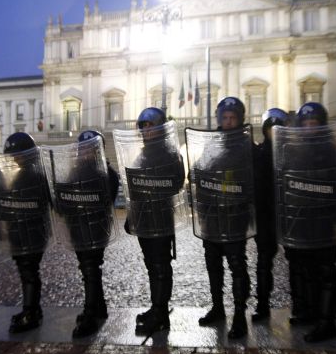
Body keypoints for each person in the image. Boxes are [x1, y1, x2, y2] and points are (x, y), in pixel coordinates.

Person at [277, 102, 336, 342]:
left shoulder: (332, 150)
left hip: (323, 221)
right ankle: (309, 312)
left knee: (326, 273)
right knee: (304, 270)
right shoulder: (292, 150)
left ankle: (327, 322)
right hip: (300, 220)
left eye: (313, 123)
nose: (308, 128)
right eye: (305, 123)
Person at [189, 96, 254, 339]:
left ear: (239, 119)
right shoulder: (212, 143)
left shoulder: (245, 145)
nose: (228, 122)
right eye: (224, 118)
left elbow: (247, 176)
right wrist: (195, 172)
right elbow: (201, 166)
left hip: (235, 215)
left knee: (237, 266)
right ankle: (218, 307)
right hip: (212, 215)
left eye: (232, 118)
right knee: (213, 265)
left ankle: (239, 315)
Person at [122, 108, 185, 334]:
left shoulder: (169, 153)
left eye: (150, 126)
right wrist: (132, 216)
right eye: (144, 127)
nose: (147, 131)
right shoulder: (143, 153)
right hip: (144, 219)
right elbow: (136, 187)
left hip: (160, 218)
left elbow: (177, 181)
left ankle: (160, 313)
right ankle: (156, 307)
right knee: (152, 265)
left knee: (160, 266)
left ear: (159, 127)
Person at [60, 130, 119, 338]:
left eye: (89, 148)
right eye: (82, 148)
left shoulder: (106, 173)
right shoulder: (76, 172)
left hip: (94, 229)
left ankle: (90, 314)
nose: (84, 152)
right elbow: (65, 198)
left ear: (98, 150)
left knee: (90, 269)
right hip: (78, 229)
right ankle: (99, 308)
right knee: (89, 270)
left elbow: (106, 201)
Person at [0, 132, 51, 333]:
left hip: (30, 231)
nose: (14, 158)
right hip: (23, 231)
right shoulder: (29, 172)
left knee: (29, 272)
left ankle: (31, 312)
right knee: (26, 272)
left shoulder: (33, 174)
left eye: (18, 154)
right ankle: (32, 310)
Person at [251, 108, 288, 322]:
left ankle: (302, 307)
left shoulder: (293, 151)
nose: (274, 133)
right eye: (270, 129)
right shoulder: (259, 152)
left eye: (278, 129)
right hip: (265, 216)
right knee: (264, 262)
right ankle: (262, 305)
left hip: (289, 215)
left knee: (298, 263)